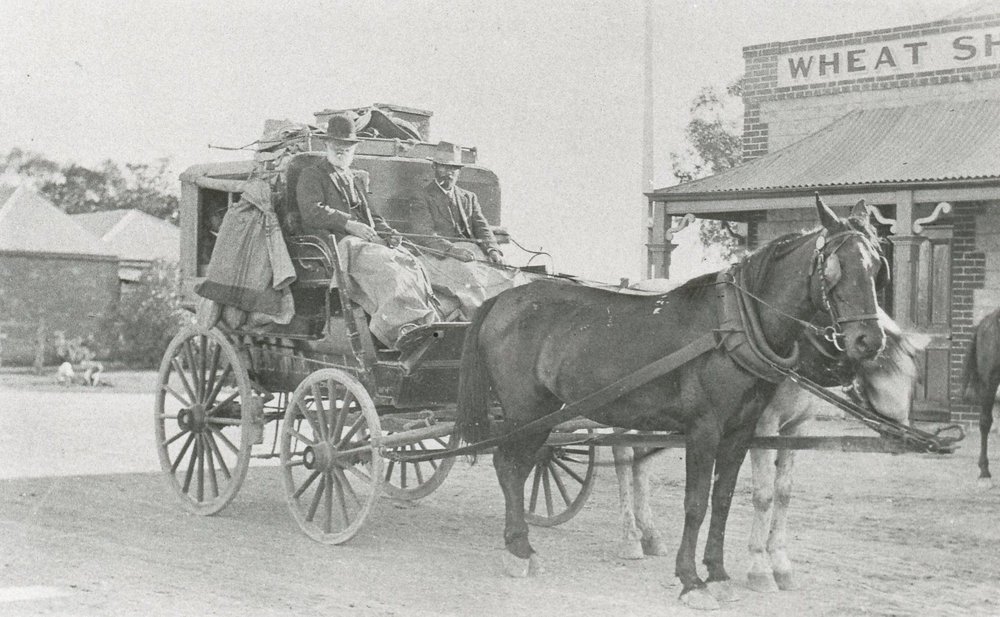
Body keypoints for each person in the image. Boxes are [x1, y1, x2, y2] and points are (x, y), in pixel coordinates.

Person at [295, 113, 440, 347]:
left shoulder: (354, 179)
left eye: (347, 147)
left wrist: (389, 233)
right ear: (327, 145)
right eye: (337, 146)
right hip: (338, 244)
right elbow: (312, 211)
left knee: (412, 263)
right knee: (390, 271)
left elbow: (373, 216)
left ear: (354, 149)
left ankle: (422, 324)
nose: (342, 151)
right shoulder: (312, 175)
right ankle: (397, 329)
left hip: (364, 242)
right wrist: (349, 224)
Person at [408, 141, 526, 319]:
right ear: (434, 167)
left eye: (454, 168)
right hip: (438, 255)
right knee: (469, 280)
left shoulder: (468, 197)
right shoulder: (422, 197)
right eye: (444, 167)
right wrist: (452, 250)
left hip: (471, 254)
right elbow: (424, 234)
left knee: (507, 277)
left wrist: (493, 250)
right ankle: (478, 323)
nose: (449, 173)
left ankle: (508, 320)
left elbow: (482, 228)